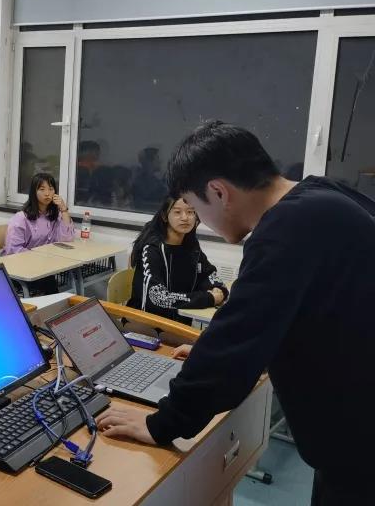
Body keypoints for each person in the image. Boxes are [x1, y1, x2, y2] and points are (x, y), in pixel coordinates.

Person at [95, 121, 375, 504]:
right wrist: (231, 351)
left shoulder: (287, 228)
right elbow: (300, 315)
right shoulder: (324, 196)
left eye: (196, 208)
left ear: (218, 192)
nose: (200, 222)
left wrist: (163, 423)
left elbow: (235, 341)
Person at [127, 197, 228, 322]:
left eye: (190, 212)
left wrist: (217, 288)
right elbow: (158, 297)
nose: (185, 217)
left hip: (178, 321)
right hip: (149, 323)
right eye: (177, 212)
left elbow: (208, 274)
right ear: (165, 216)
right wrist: (208, 298)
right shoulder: (152, 250)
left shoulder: (191, 246)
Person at [4, 172, 75, 254]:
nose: (47, 193)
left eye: (51, 189)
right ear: (34, 192)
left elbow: (67, 239)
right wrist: (39, 256)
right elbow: (13, 250)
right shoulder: (21, 218)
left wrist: (63, 209)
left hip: (49, 258)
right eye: (42, 189)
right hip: (26, 260)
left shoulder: (57, 215)